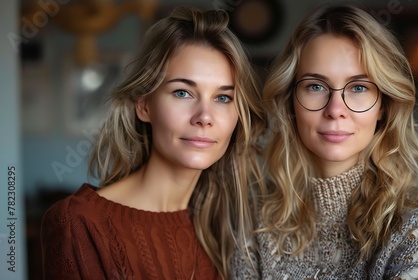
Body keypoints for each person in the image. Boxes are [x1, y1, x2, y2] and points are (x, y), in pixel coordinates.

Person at [231, 3, 418, 279]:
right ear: (290, 103)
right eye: (315, 86)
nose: (335, 109)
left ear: (383, 107)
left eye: (358, 88)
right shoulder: (253, 220)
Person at [41, 6, 265, 280]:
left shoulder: (226, 226)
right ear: (144, 105)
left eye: (223, 98)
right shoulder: (78, 224)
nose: (204, 117)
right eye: (183, 92)